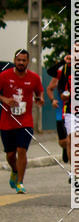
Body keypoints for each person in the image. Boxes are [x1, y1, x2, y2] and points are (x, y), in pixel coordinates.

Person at [0, 49, 44, 193]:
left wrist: (40, 99)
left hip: (25, 121)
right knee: (10, 154)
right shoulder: (4, 76)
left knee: (22, 150)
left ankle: (20, 182)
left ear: (27, 62)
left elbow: (39, 91)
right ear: (14, 60)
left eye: (23, 60)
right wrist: (5, 99)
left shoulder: (34, 78)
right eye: (18, 60)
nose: (21, 63)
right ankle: (14, 170)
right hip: (7, 121)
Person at [47, 54, 70, 165]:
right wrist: (53, 100)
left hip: (73, 111)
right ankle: (65, 147)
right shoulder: (60, 74)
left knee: (71, 139)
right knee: (62, 141)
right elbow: (49, 88)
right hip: (61, 111)